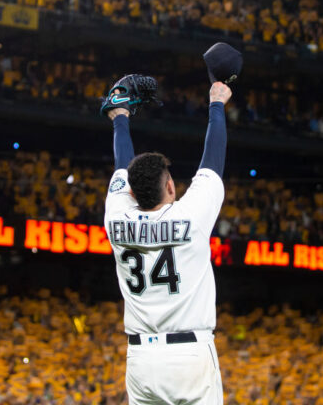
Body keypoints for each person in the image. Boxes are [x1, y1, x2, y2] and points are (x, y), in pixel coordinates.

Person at [102, 74, 232, 404]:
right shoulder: (190, 216)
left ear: (130, 192)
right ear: (171, 187)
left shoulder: (116, 217)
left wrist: (120, 117)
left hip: (140, 360)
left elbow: (121, 165)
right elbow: (212, 162)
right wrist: (216, 103)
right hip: (189, 355)